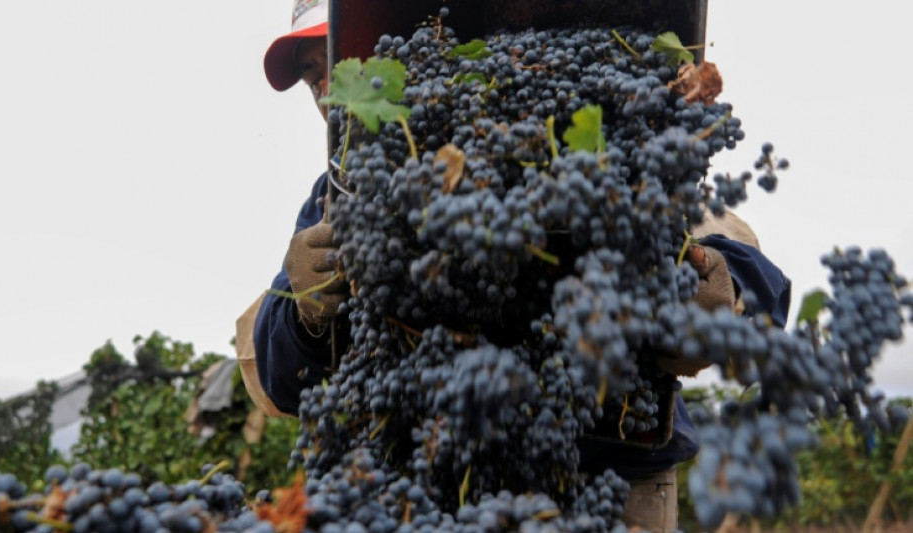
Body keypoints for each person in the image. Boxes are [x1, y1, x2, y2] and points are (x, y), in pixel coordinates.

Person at [236, 1, 791, 531]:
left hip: (608, 477)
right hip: (437, 481)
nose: (331, 91)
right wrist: (304, 316)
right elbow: (280, 376)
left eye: (336, 61)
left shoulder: (606, 151)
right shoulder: (338, 200)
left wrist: (726, 290)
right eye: (314, 80)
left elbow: (745, 268)